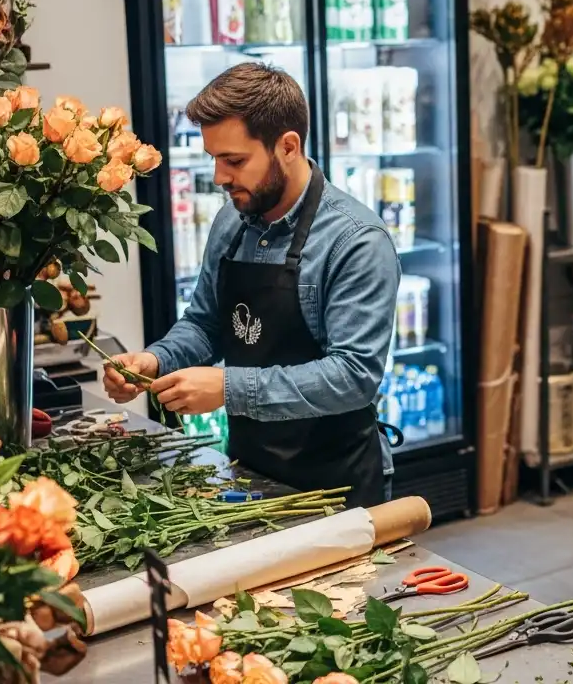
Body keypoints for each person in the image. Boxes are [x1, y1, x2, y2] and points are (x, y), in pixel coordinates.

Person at [102, 63, 402, 504]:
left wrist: (226, 388)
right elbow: (206, 324)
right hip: (250, 474)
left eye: (234, 161)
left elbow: (354, 376)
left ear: (287, 146)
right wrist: (156, 360)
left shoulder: (356, 241)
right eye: (214, 159)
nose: (220, 177)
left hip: (338, 484)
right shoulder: (232, 220)